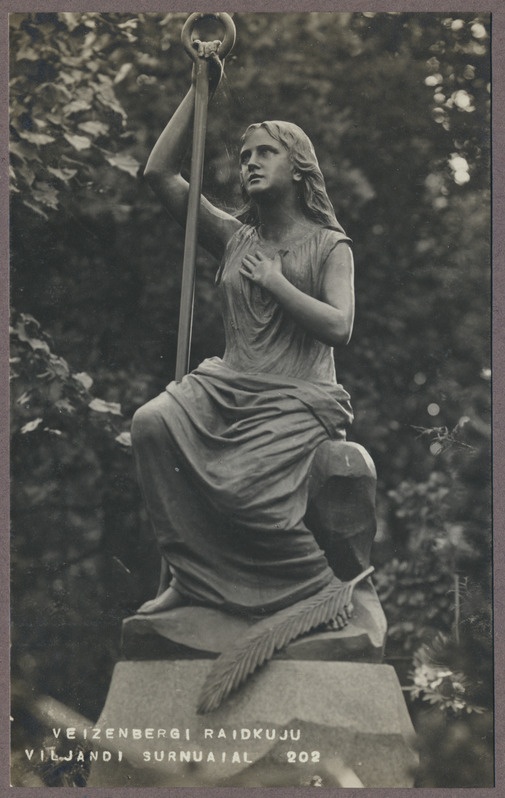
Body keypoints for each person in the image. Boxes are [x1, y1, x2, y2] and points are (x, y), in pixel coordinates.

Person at [132, 47, 356, 617]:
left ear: (299, 166)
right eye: (244, 154)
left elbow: (340, 326)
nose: (249, 162)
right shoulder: (235, 238)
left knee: (244, 488)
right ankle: (190, 576)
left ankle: (314, 592)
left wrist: (278, 283)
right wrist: (199, 91)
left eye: (265, 152)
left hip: (295, 396)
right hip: (229, 384)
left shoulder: (331, 245)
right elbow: (158, 173)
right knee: (153, 422)